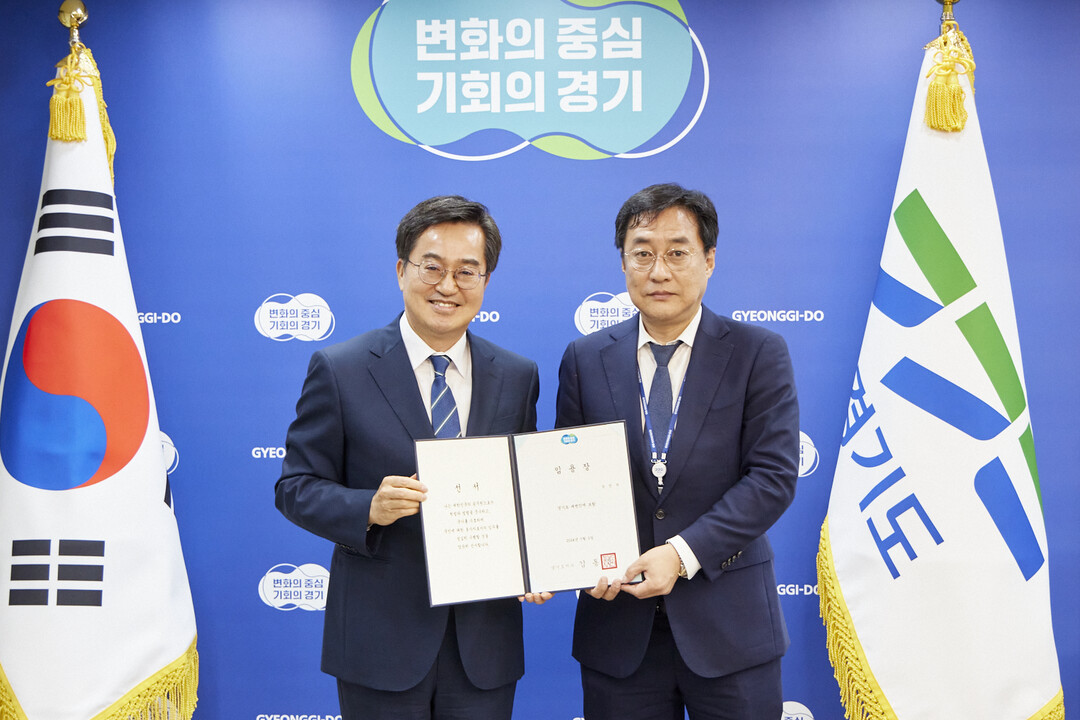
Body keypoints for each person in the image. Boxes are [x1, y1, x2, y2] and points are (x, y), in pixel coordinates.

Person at [275, 195, 546, 720]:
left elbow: (523, 490)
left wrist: (537, 558)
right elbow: (295, 487)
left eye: (467, 271)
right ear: (402, 270)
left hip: (483, 644)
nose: (448, 286)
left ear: (486, 280)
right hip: (380, 641)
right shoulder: (341, 368)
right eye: (432, 267)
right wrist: (368, 508)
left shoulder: (517, 375)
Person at [556, 183, 800, 719]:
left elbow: (772, 478)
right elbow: (567, 479)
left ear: (709, 259)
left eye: (677, 253)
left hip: (731, 631)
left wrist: (681, 554)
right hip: (619, 633)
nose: (658, 271)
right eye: (642, 254)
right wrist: (550, 558)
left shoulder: (757, 353)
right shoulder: (585, 359)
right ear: (623, 263)